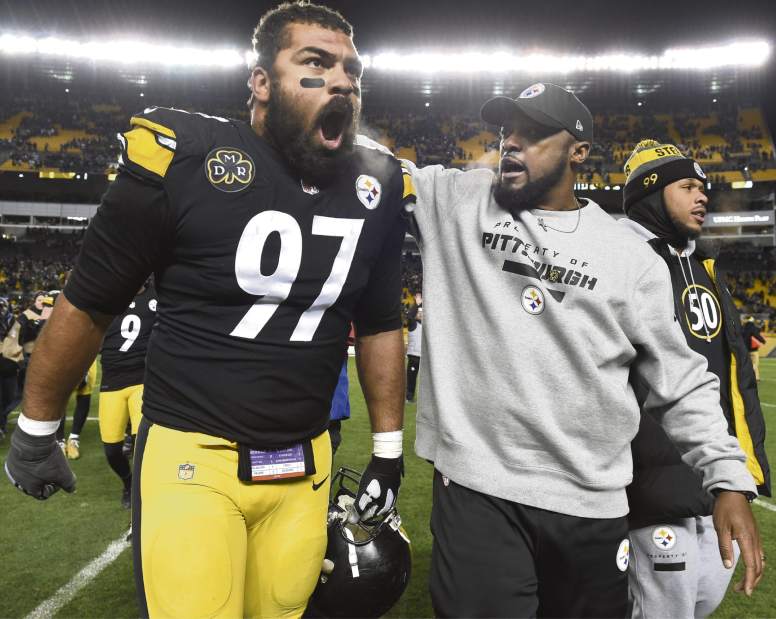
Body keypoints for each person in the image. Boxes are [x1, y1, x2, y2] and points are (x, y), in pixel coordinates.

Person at [4, 3, 411, 618]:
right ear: (261, 82)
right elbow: (91, 299)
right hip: (194, 453)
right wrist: (36, 429)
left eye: (352, 69)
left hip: (305, 465)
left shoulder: (375, 183)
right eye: (316, 63)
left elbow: (380, 322)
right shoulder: (187, 157)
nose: (343, 81)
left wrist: (387, 448)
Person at [399, 83, 762, 618]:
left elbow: (681, 381)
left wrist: (728, 478)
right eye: (507, 132)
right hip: (479, 489)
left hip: (592, 501)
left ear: (579, 152)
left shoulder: (628, 257)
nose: (513, 145)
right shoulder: (457, 199)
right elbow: (367, 165)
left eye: (535, 133)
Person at [620, 139, 770, 618]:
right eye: (686, 186)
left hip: (709, 474)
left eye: (703, 187)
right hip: (648, 479)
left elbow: (733, 380)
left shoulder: (704, 267)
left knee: (704, 596)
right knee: (664, 606)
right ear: (649, 194)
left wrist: (742, 465)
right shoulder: (621, 263)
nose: (702, 196)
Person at [98, 282, 157, 508]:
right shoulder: (111, 298)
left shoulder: (156, 294)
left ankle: (144, 491)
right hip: (112, 381)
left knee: (143, 442)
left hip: (142, 378)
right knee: (112, 450)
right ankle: (128, 481)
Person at [405, 305, 422, 402]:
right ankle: (409, 397)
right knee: (411, 378)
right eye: (418, 313)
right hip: (414, 357)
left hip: (423, 357)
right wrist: (417, 304)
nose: (420, 314)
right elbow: (410, 316)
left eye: (421, 313)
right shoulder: (413, 324)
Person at [741, 317, 766, 381]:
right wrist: (763, 341)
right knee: (755, 363)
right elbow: (757, 335)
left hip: (744, 349)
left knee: (746, 364)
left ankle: (749, 377)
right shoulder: (752, 327)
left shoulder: (742, 328)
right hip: (753, 349)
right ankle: (756, 377)